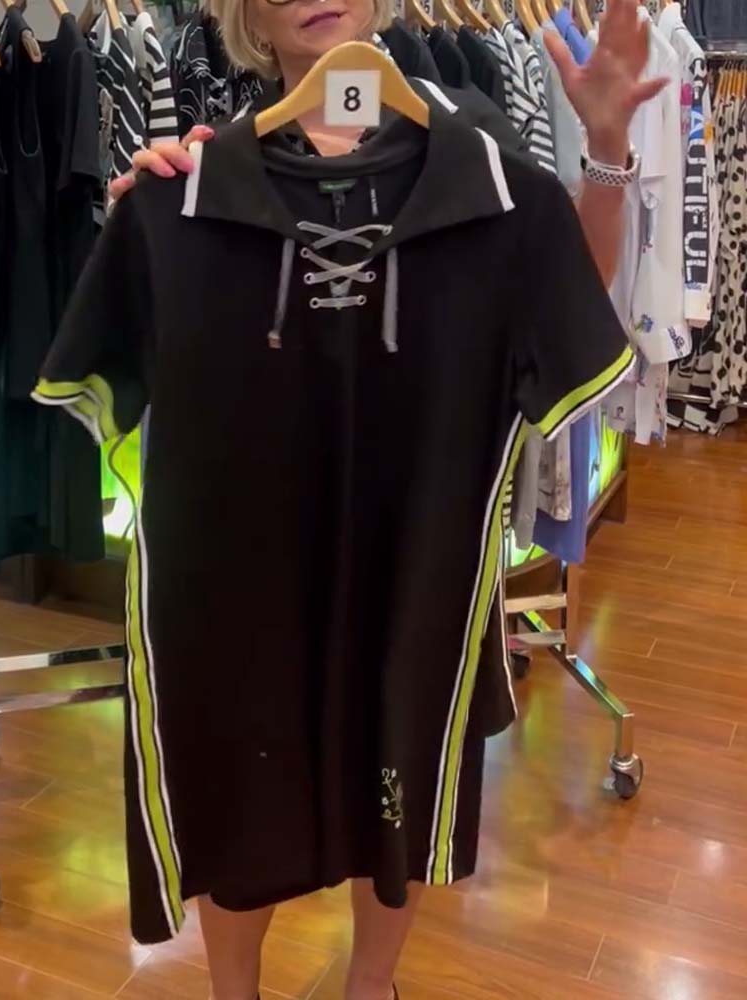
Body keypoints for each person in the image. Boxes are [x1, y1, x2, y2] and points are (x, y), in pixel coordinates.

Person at [101, 2, 663, 999]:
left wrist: (609, 153)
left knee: (397, 768)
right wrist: (137, 224)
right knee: (242, 784)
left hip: (417, 560)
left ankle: (371, 987)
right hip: (241, 576)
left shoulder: (476, 152)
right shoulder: (193, 177)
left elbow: (566, 289)